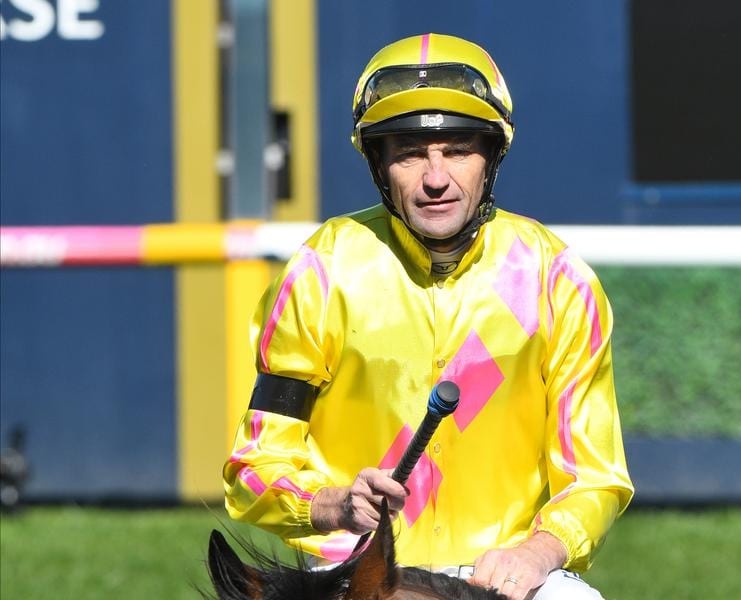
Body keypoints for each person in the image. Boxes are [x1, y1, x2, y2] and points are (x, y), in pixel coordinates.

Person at [223, 33, 634, 600]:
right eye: (410, 153)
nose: (435, 177)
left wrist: (539, 551)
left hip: (508, 572)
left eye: (458, 149)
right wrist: (331, 503)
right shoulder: (321, 270)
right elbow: (253, 467)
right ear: (378, 164)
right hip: (356, 569)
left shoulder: (555, 278)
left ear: (492, 157)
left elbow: (595, 477)